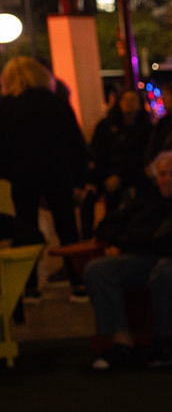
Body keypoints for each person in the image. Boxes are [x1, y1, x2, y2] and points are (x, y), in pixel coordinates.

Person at [83, 150, 172, 369]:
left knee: (165, 270)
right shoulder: (147, 199)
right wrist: (126, 238)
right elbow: (108, 225)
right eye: (162, 174)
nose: (167, 179)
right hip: (144, 258)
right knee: (98, 268)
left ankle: (163, 341)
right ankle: (121, 342)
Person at [0, 54, 89, 300]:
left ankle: (29, 287)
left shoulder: (6, 107)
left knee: (26, 230)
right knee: (67, 229)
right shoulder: (57, 104)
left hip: (21, 176)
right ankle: (78, 284)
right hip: (57, 173)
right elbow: (76, 144)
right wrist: (79, 181)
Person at [85, 87, 155, 232]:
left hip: (133, 174)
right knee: (88, 198)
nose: (128, 103)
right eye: (125, 99)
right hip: (106, 173)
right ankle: (88, 237)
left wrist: (119, 176)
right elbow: (97, 154)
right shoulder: (105, 126)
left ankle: (118, 230)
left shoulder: (146, 129)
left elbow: (140, 157)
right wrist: (91, 180)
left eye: (133, 99)